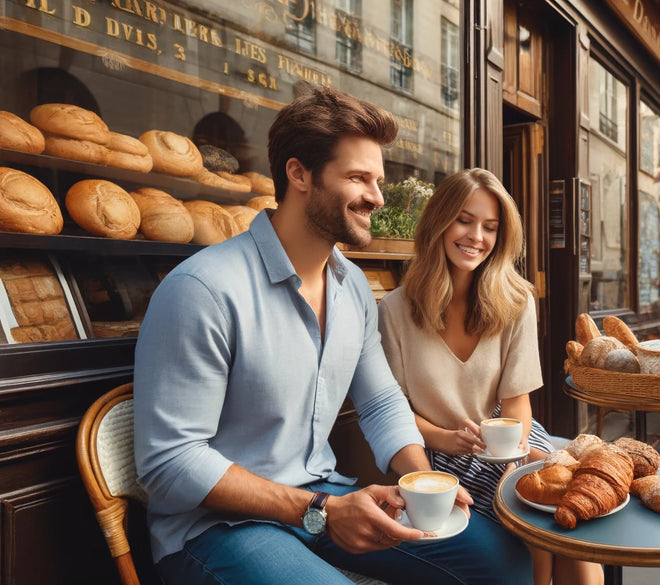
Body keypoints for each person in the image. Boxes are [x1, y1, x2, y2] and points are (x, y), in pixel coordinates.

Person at [133, 88, 532, 585]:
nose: (378, 197)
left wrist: (421, 483)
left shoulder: (353, 291)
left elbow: (383, 402)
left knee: (507, 562)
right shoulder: (203, 289)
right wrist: (320, 506)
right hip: (216, 528)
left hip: (321, 498)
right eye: (358, 178)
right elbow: (169, 462)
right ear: (299, 174)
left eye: (377, 179)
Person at [378, 169, 604, 585]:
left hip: (509, 437)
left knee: (567, 515)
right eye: (464, 220)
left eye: (490, 227)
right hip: (439, 449)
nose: (476, 236)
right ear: (439, 221)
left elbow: (517, 402)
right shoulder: (393, 311)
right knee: (536, 527)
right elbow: (393, 413)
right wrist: (448, 439)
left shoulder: (516, 300)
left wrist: (513, 458)